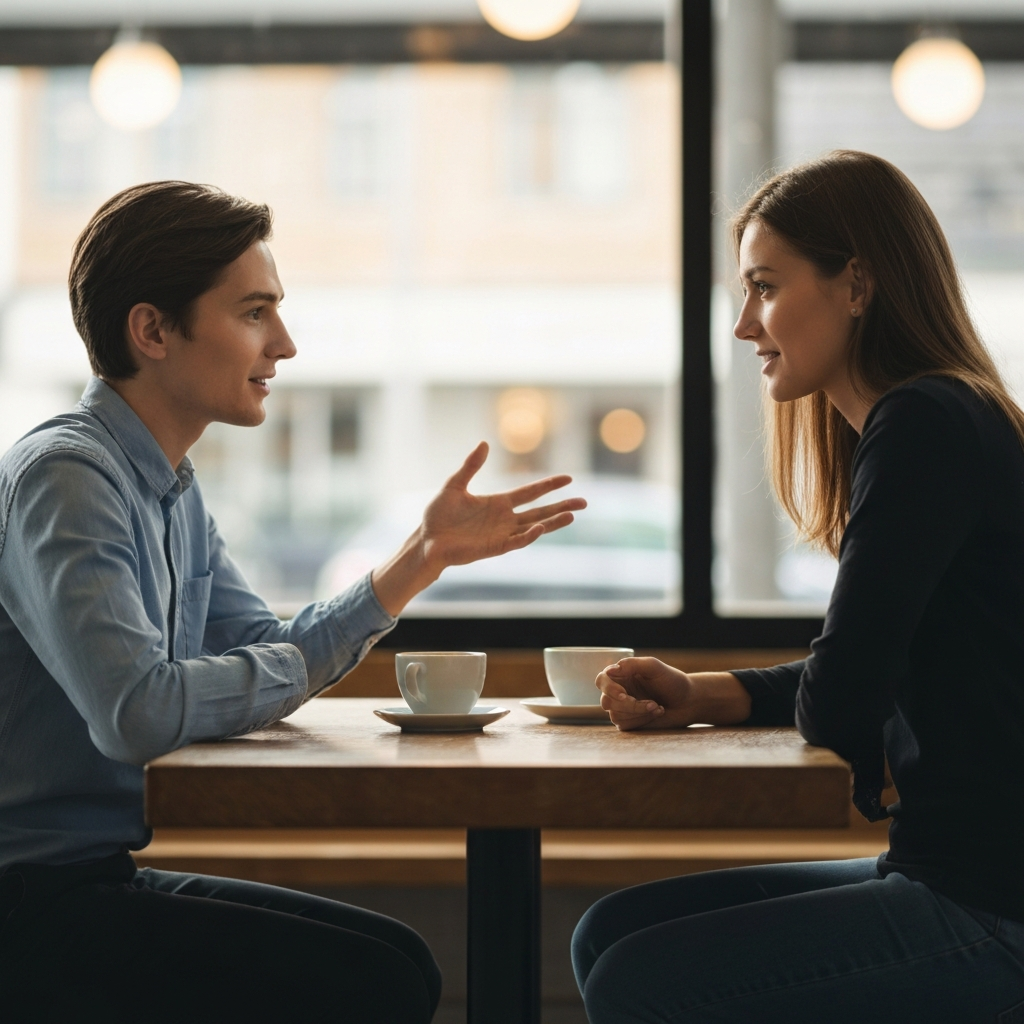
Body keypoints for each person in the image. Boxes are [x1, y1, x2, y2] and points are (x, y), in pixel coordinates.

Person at [0, 181, 585, 1023]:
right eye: (254, 313)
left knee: (402, 963)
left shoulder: (170, 488)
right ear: (152, 330)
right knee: (372, 982)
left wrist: (418, 562)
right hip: (28, 902)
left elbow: (264, 643)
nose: (285, 344)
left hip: (88, 877)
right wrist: (285, 662)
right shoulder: (69, 477)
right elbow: (135, 712)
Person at [572, 151, 1024, 1023]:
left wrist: (823, 694)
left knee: (638, 980)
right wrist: (703, 691)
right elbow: (864, 670)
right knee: (608, 933)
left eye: (764, 287)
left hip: (991, 902)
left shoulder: (924, 422)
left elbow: (845, 689)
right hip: (949, 873)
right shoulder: (935, 416)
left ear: (857, 284)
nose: (744, 325)